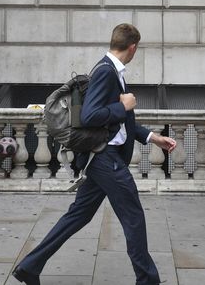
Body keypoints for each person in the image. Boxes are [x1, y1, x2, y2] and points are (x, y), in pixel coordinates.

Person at [12, 23, 177, 285]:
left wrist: (152, 137)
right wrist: (122, 106)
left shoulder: (111, 70)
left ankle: (30, 267)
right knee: (133, 217)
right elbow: (90, 116)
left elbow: (116, 124)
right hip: (104, 159)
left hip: (100, 157)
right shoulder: (106, 72)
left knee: (79, 214)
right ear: (133, 47)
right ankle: (147, 280)